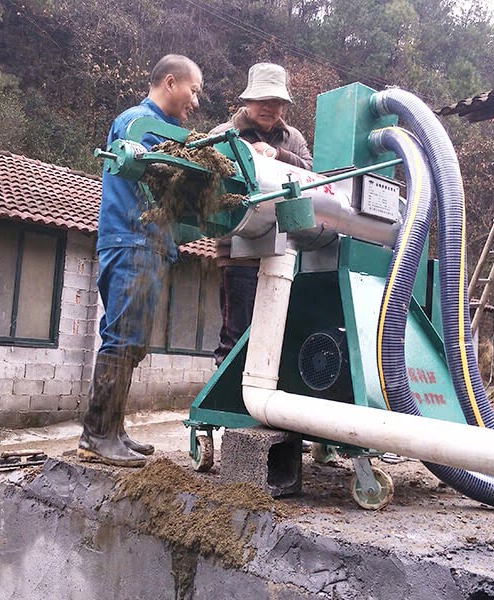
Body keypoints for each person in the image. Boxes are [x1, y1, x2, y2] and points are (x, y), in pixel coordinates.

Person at [77, 54, 203, 467]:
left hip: (145, 243)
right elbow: (158, 177)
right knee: (122, 338)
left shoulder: (157, 128)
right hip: (132, 240)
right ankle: (97, 436)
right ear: (171, 82)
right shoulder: (139, 123)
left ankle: (112, 430)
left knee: (130, 341)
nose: (196, 102)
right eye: (194, 91)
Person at [209, 63, 312, 366]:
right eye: (263, 100)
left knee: (275, 339)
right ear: (248, 100)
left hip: (283, 252)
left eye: (277, 102)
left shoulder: (293, 139)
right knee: (236, 337)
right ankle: (227, 392)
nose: (270, 108)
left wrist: (277, 154)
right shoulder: (222, 135)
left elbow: (312, 173)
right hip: (238, 253)